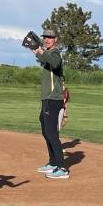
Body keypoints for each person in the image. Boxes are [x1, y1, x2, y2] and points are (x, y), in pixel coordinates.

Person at [34, 28, 68, 178]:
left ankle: (62, 168)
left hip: (54, 99)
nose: (47, 39)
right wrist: (37, 51)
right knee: (45, 130)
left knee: (52, 133)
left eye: (50, 37)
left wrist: (41, 52)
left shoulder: (56, 53)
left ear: (56, 40)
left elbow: (54, 63)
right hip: (47, 98)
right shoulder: (48, 53)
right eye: (45, 37)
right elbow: (44, 60)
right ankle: (53, 162)